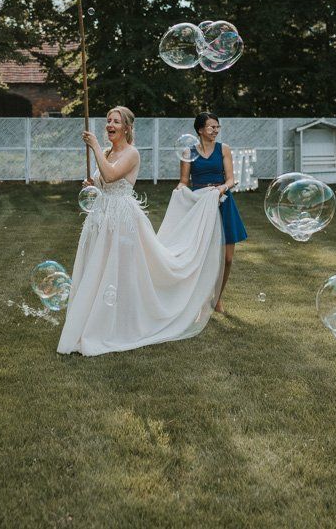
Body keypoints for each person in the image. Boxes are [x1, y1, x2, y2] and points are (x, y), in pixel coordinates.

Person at [56, 106, 225, 356]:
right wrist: (92, 184)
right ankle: (93, 321)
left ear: (126, 127)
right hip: (101, 217)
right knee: (98, 269)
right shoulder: (107, 151)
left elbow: (112, 175)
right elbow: (103, 180)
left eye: (116, 121)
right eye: (108, 121)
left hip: (121, 219)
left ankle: (121, 325)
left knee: (119, 274)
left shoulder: (131, 153)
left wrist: (93, 148)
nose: (110, 125)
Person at [177, 112, 247, 314]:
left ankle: (218, 298)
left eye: (217, 127)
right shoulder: (189, 152)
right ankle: (197, 299)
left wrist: (221, 189)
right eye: (211, 127)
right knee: (201, 256)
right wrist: (179, 190)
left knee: (227, 258)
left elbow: (231, 179)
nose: (215, 130)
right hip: (200, 205)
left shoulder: (223, 149)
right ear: (200, 130)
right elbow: (184, 181)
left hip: (222, 201)